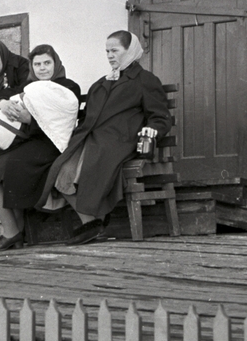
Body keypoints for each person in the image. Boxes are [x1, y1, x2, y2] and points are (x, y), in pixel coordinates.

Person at [40, 30, 172, 245]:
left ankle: (93, 223)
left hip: (119, 141)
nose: (110, 56)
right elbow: (85, 117)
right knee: (60, 173)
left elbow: (159, 116)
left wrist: (153, 129)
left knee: (89, 165)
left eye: (115, 51)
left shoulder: (144, 80)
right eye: (107, 51)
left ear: (130, 51)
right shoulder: (101, 83)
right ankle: (92, 222)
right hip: (90, 138)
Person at [0, 45, 81, 251]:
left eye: (47, 63)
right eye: (37, 64)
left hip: (53, 143)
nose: (42, 68)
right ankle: (10, 232)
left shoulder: (68, 87)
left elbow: (63, 123)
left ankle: (18, 230)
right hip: (28, 141)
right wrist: (3, 105)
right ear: (32, 68)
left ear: (56, 64)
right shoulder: (29, 88)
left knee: (14, 166)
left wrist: (30, 120)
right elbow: (9, 105)